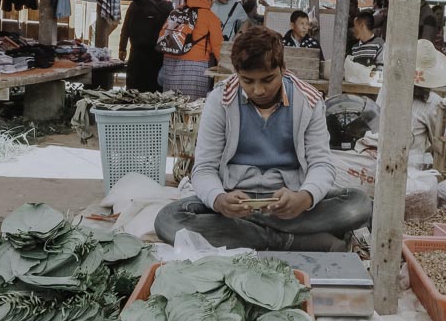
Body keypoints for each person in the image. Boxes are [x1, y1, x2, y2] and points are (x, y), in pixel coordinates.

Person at [155, 27, 373, 251]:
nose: (258, 90)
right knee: (168, 220)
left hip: (289, 201)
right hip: (235, 199)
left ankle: (251, 233)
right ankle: (289, 240)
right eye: (247, 81)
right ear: (236, 73)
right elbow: (204, 169)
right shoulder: (220, 100)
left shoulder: (308, 100)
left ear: (283, 69)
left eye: (268, 79)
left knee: (359, 205)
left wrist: (305, 198)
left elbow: (322, 164)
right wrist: (219, 201)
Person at [379, 39, 446, 159]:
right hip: (412, 165)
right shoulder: (433, 102)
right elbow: (437, 141)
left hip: (383, 158)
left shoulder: (386, 90)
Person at [156, 0, 222, 99]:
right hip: (195, 66)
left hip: (170, 63)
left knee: (171, 102)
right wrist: (227, 66)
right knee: (192, 105)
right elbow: (218, 47)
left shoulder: (176, 11)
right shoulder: (211, 17)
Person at [118, 0, 173, 92]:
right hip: (157, 56)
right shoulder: (167, 6)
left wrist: (122, 48)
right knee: (154, 91)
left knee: (135, 90)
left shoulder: (135, 4)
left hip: (137, 55)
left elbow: (125, 28)